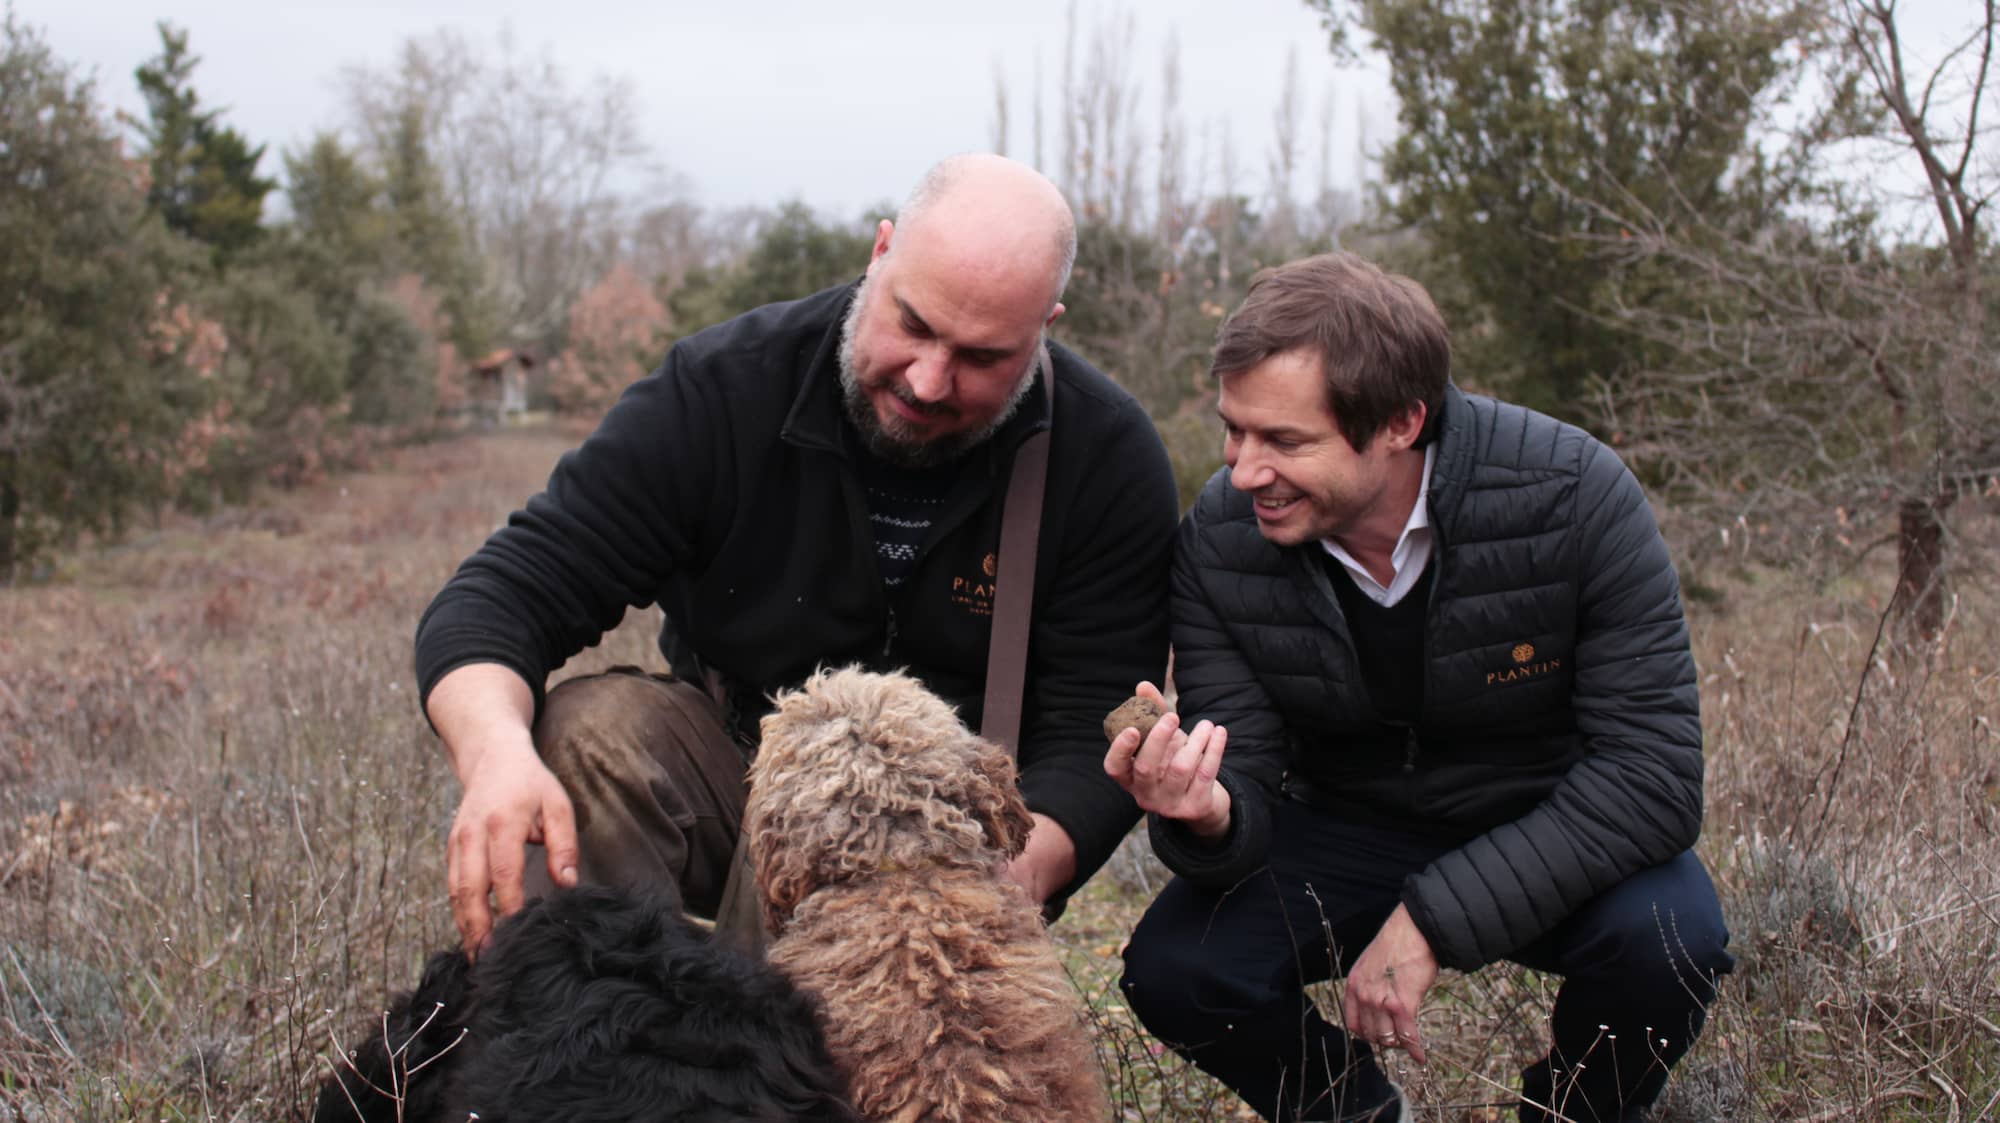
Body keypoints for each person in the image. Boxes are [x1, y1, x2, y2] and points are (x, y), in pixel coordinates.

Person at [416, 153, 1178, 955]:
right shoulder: (725, 389)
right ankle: (605, 1042)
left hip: (943, 824)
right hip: (735, 760)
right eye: (913, 324)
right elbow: (507, 592)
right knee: (583, 734)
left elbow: (1099, 725)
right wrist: (498, 753)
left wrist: (1006, 881)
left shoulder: (1105, 455)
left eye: (982, 357)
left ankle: (785, 1066)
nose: (926, 380)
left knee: (852, 830)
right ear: (880, 253)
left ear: (1044, 328)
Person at [1105, 252, 1733, 1123]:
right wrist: (1205, 813)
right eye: (1235, 430)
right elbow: (1245, 779)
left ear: (1402, 421)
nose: (1244, 471)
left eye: (1285, 441)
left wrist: (1431, 920)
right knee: (1178, 967)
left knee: (1671, 940)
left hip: (1545, 819)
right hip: (1345, 826)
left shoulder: (1574, 495)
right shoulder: (1221, 538)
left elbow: (1654, 779)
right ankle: (1356, 1113)